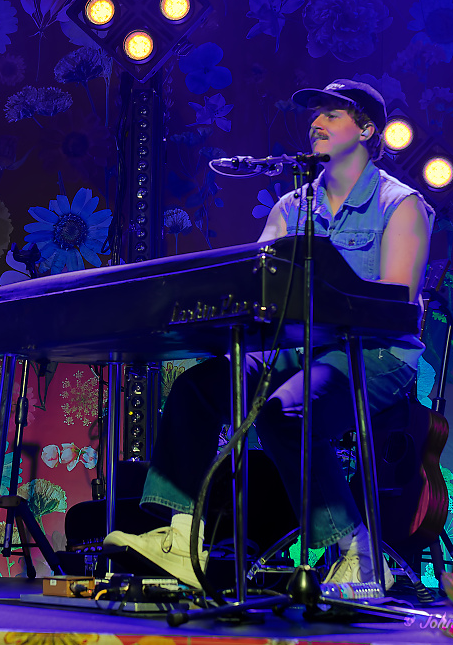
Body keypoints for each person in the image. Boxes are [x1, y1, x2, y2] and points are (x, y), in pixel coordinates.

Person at [105, 79, 433, 589]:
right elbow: (255, 287)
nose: (316, 122)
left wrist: (323, 293)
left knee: (286, 411)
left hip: (374, 353)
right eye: (314, 113)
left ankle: (360, 554)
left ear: (368, 130)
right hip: (299, 349)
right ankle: (182, 538)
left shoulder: (401, 204)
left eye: (332, 114)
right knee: (198, 388)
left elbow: (395, 304)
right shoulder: (290, 207)